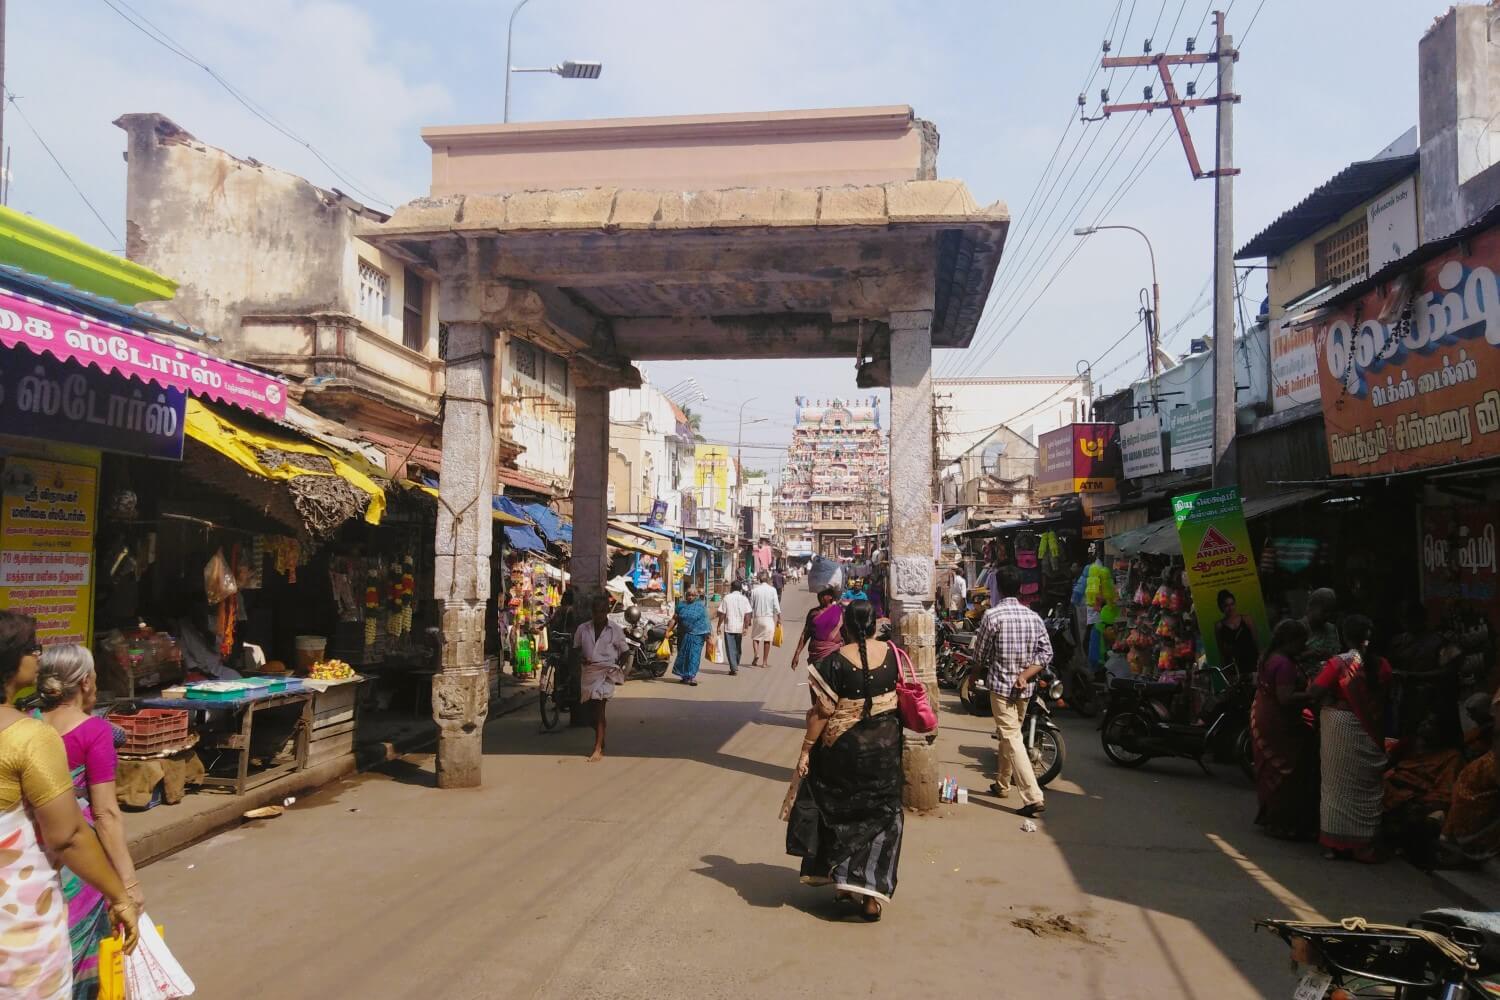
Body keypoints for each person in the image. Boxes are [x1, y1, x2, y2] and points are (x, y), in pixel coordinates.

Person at [0, 612, 138, 998]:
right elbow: (69, 835)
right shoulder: (29, 736)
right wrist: (121, 893)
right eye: (32, 648)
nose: (38, 657)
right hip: (17, 919)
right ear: (11, 662)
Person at [784, 601, 903, 921]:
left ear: (844, 629)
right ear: (873, 626)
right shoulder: (893, 655)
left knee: (839, 813)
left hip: (843, 754)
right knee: (883, 817)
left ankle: (843, 883)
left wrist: (806, 749)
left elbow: (822, 714)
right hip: (886, 752)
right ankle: (871, 898)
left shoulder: (833, 664)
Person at [38, 645, 144, 997]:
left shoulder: (27, 724)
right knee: (82, 952)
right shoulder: (95, 731)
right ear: (85, 682)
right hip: (78, 853)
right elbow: (106, 813)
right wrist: (127, 885)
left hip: (34, 850)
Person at [1308, 614, 1392, 862]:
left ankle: (1334, 845)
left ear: (1345, 637)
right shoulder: (1383, 665)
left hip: (1340, 728)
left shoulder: (1339, 663)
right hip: (1370, 730)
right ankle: (1364, 845)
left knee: (1335, 787)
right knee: (1367, 788)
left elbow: (1314, 691)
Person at [972, 566, 1053, 817]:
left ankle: (1033, 796)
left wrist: (975, 676)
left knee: (1012, 737)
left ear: (998, 588)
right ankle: (1002, 783)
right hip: (1024, 688)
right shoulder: (1033, 617)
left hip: (1000, 687)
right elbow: (1046, 653)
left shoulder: (992, 616)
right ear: (1019, 589)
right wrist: (1026, 675)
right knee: (1011, 735)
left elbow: (980, 654)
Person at [1250, 619, 1317, 840]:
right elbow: (1285, 698)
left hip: (1263, 714)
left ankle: (1273, 818)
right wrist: (1314, 693)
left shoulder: (1270, 657)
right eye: (1301, 642)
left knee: (1272, 768)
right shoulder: (1284, 665)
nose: (1303, 647)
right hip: (1279, 721)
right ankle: (1284, 823)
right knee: (1290, 769)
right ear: (1290, 641)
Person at [572, 595, 630, 762]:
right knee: (589, 714)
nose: (598, 615)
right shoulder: (583, 629)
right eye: (596, 611)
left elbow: (625, 652)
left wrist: (618, 666)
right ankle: (601, 735)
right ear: (592, 612)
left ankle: (597, 748)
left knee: (599, 709)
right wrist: (580, 659)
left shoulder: (615, 630)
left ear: (606, 612)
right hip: (589, 672)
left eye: (602, 611)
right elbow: (575, 649)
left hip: (606, 672)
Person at [790, 588, 844, 670]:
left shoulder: (839, 611)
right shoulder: (813, 613)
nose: (820, 597)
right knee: (816, 680)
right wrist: (797, 654)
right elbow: (805, 634)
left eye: (823, 594)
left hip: (835, 653)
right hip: (816, 655)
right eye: (819, 594)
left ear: (830, 597)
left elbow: (846, 633)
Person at [669, 588, 711, 686]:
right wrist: (668, 630)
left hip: (698, 635)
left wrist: (709, 636)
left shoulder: (701, 607)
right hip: (682, 634)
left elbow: (706, 622)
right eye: (688, 595)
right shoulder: (681, 605)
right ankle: (684, 676)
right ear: (685, 595)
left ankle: (691, 676)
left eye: (692, 595)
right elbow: (674, 619)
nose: (690, 597)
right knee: (683, 655)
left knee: (694, 656)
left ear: (696, 596)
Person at [1214, 589, 1261, 675]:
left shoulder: (1247, 619)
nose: (1230, 608)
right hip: (1234, 665)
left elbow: (1256, 642)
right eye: (1226, 606)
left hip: (1252, 660)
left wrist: (1261, 660)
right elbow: (1221, 650)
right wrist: (1225, 669)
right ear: (1222, 607)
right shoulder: (1219, 626)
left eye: (1232, 604)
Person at [1300, 588, 1341, 672]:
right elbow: (1285, 659)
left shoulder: (1331, 629)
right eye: (1324, 611)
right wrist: (1309, 654)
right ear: (1312, 606)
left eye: (1331, 611)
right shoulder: (1297, 628)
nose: (1328, 615)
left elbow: (1336, 655)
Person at [717, 582, 752, 676]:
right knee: (737, 647)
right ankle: (734, 665)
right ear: (740, 589)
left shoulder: (727, 598)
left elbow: (722, 614)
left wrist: (719, 625)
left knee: (730, 648)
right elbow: (748, 614)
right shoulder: (744, 599)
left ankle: (734, 666)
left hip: (729, 627)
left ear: (731, 588)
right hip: (739, 627)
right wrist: (746, 627)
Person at [749, 572, 782, 668]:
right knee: (767, 640)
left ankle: (756, 654)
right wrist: (779, 618)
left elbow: (751, 606)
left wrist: (749, 619)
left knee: (755, 638)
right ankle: (764, 662)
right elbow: (776, 605)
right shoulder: (772, 590)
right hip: (768, 618)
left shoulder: (755, 590)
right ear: (768, 579)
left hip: (758, 617)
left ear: (759, 579)